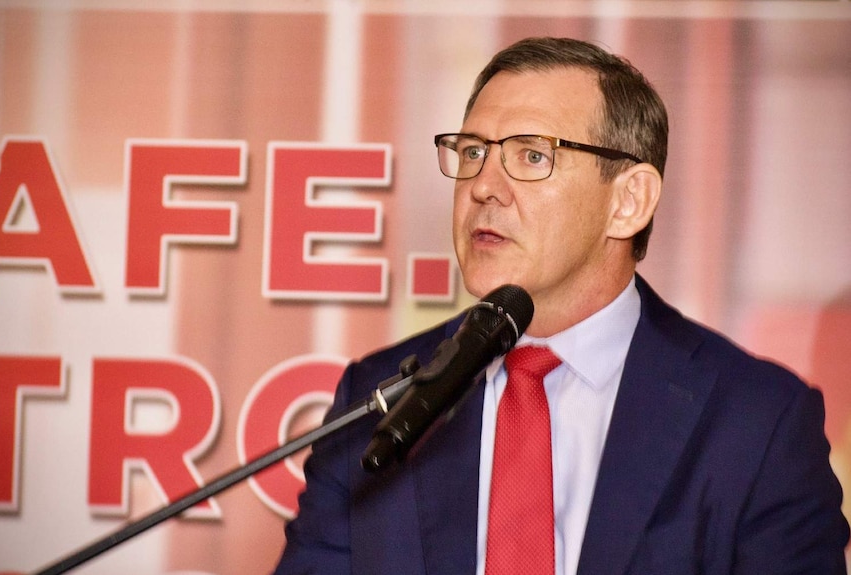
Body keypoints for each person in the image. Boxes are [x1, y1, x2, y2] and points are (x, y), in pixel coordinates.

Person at [273, 37, 849, 575]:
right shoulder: (378, 398)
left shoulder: (755, 421)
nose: (482, 186)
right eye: (472, 151)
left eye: (530, 156)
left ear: (628, 201)